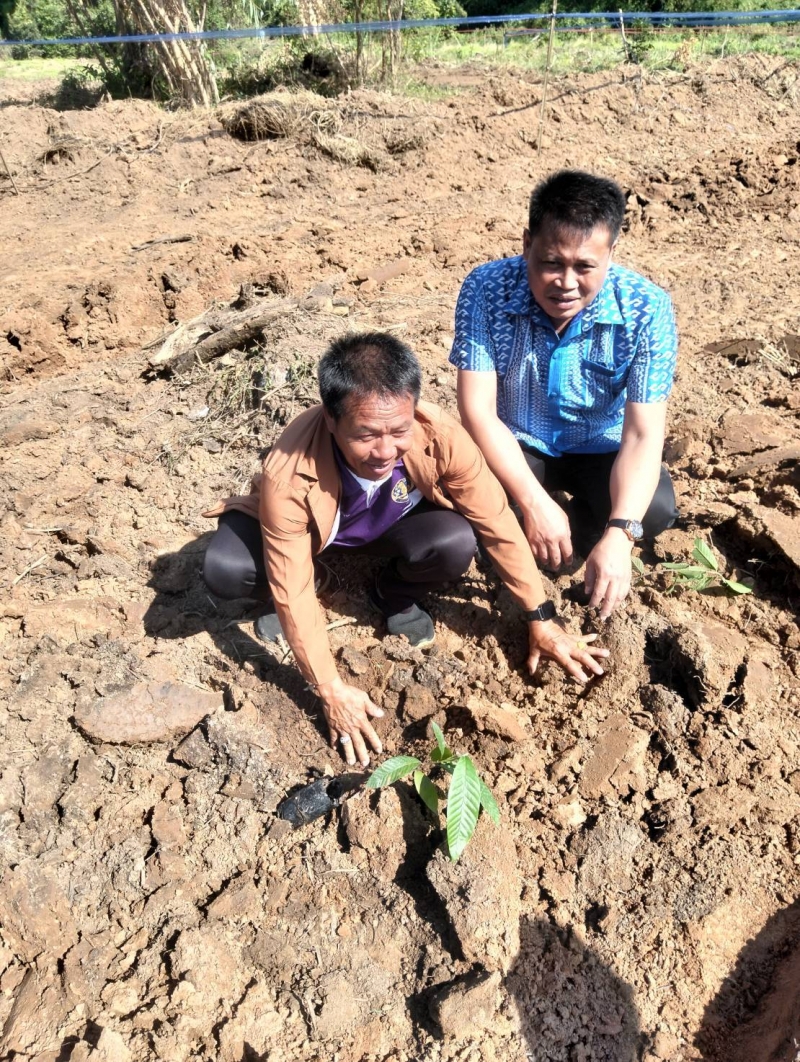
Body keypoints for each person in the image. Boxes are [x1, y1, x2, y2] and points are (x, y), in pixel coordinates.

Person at [202, 332, 608, 768]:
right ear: (331, 420)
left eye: (399, 430)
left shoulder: (440, 436)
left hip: (388, 526)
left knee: (455, 541)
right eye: (366, 435)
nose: (385, 451)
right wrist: (330, 689)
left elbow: (497, 521)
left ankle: (391, 592)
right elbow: (291, 587)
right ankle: (317, 575)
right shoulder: (289, 472)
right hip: (314, 536)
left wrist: (541, 617)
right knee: (227, 569)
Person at [450, 169, 679, 621]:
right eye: (551, 263)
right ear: (526, 244)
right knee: (470, 509)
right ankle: (537, 521)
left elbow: (642, 434)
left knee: (652, 511)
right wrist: (535, 502)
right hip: (518, 439)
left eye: (585, 267)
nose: (566, 283)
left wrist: (620, 535)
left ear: (611, 254)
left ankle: (588, 535)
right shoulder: (486, 289)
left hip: (602, 445)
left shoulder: (647, 309)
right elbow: (477, 411)